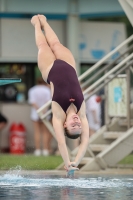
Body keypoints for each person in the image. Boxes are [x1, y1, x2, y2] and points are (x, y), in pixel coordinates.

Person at [31, 15, 89, 173]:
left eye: (73, 126)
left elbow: (62, 143)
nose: (77, 122)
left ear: (65, 125)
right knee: (56, 43)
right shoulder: (81, 111)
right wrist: (77, 162)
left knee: (43, 45)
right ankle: (45, 22)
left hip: (49, 69)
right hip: (68, 64)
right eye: (79, 126)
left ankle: (36, 24)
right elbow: (84, 143)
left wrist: (69, 163)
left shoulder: (58, 116)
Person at [28, 77, 52, 156]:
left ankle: (37, 150)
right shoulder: (47, 90)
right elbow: (48, 102)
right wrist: (43, 110)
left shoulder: (32, 90)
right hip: (45, 113)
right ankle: (45, 150)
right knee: (45, 132)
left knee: (37, 132)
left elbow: (33, 102)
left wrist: (38, 110)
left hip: (35, 113)